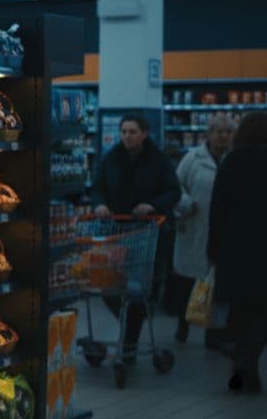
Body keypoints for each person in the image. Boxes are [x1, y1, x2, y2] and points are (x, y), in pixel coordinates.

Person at [91, 114, 181, 360]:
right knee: (109, 287)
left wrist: (152, 206)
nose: (127, 136)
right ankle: (128, 327)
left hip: (150, 233)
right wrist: (99, 204)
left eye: (132, 132)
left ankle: (129, 341)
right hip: (118, 231)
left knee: (138, 289)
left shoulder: (159, 160)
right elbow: (97, 187)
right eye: (124, 132)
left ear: (144, 133)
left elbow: (174, 191)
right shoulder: (111, 158)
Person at [207, 111, 267, 393]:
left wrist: (213, 249)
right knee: (262, 310)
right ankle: (249, 359)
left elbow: (217, 210)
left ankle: (242, 358)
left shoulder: (230, 163)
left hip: (234, 248)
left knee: (240, 308)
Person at [171, 114, 234, 346]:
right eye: (218, 131)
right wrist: (186, 203)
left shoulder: (234, 159)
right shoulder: (192, 159)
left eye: (228, 132)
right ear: (208, 134)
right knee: (188, 281)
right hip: (194, 227)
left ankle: (214, 333)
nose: (223, 136)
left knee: (219, 285)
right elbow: (175, 187)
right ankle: (183, 324)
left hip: (224, 231)